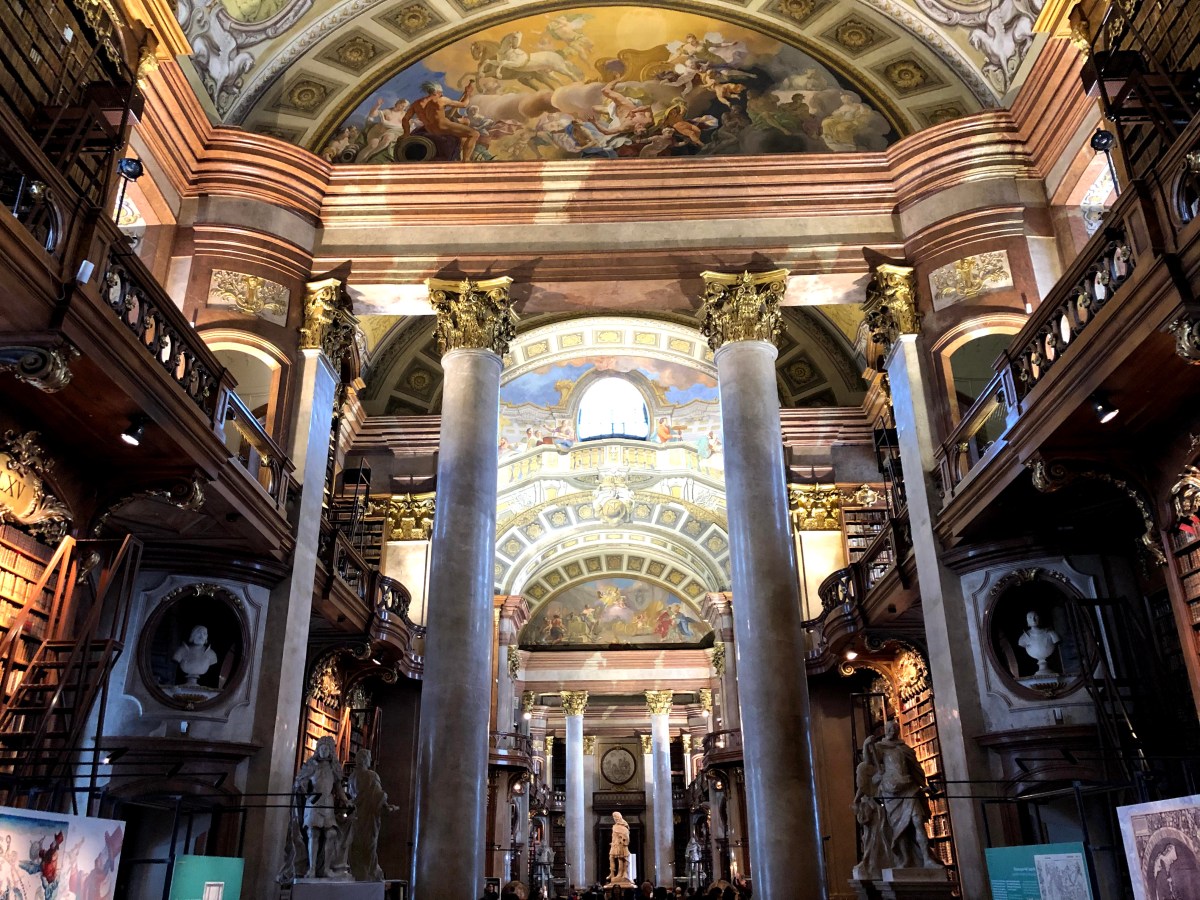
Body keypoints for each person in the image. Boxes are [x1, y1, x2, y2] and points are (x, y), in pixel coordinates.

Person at [869, 720, 940, 869]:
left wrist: (924, 785)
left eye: (894, 729)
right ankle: (906, 859)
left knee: (918, 822)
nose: (892, 732)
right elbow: (870, 762)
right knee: (899, 828)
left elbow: (916, 768)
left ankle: (927, 858)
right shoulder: (880, 748)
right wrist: (866, 745)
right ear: (885, 731)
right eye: (889, 729)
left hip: (909, 789)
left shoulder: (904, 749)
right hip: (891, 792)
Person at [346, 748, 397, 880]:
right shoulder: (372, 776)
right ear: (365, 760)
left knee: (356, 843)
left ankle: (358, 871)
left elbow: (351, 796)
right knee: (370, 844)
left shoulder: (351, 777)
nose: (370, 761)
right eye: (368, 758)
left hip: (357, 816)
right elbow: (377, 795)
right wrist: (386, 804)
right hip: (369, 817)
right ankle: (371, 872)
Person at [403, 80, 480, 161]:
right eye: (440, 92)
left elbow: (405, 119)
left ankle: (461, 145)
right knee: (474, 134)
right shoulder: (441, 100)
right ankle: (466, 160)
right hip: (444, 127)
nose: (442, 94)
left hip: (430, 128)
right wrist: (468, 93)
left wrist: (406, 133)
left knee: (465, 121)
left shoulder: (416, 104)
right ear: (435, 92)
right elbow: (464, 104)